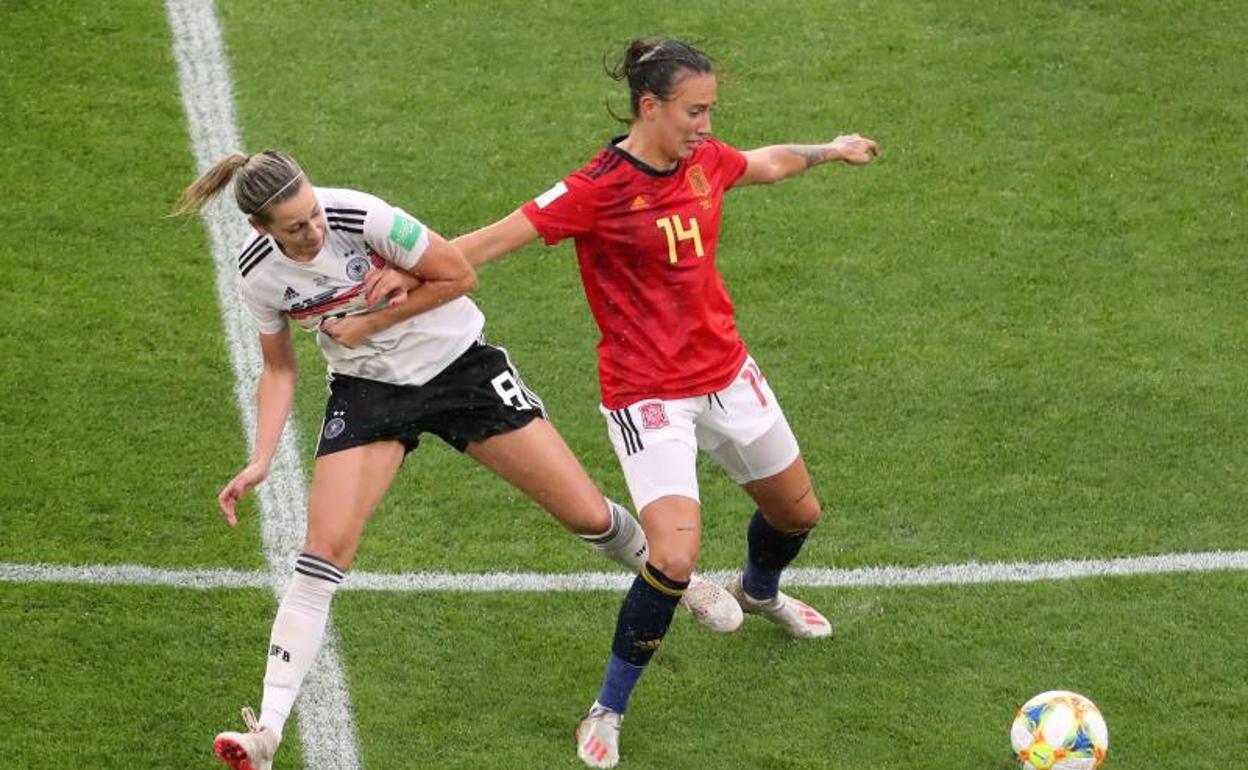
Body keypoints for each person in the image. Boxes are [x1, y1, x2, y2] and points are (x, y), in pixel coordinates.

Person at [172, 149, 740, 770]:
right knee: (321, 555)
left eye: (312, 212)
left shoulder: (362, 216)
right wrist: (260, 459)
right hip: (370, 394)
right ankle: (268, 734)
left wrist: (368, 324)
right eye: (296, 227)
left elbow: (459, 276)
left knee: (587, 516)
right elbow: (280, 369)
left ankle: (681, 583)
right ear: (262, 230)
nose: (314, 230)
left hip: (459, 371)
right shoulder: (257, 272)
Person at [422, 38, 881, 768]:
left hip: (728, 373)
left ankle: (758, 592)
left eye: (711, 112)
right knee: (671, 557)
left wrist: (831, 148)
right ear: (650, 106)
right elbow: (489, 242)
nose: (706, 125)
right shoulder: (595, 189)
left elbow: (764, 163)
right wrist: (400, 275)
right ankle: (608, 707)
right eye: (695, 111)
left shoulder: (704, 161)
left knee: (799, 514)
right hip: (649, 396)